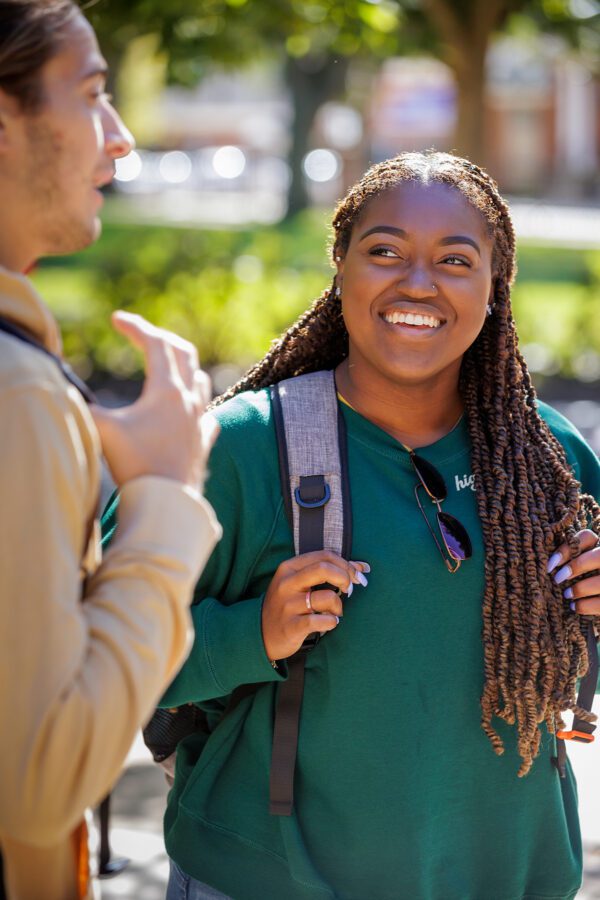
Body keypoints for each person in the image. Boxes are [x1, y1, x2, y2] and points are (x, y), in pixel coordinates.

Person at [105, 151, 600, 900]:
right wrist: (255, 634)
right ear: (340, 266)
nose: (418, 282)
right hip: (271, 879)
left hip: (507, 876)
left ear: (496, 288)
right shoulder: (241, 449)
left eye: (455, 260)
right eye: (385, 251)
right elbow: (90, 650)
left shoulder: (550, 457)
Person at [0, 1, 222, 898]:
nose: (122, 139)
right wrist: (168, 491)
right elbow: (40, 785)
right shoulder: (16, 391)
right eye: (92, 94)